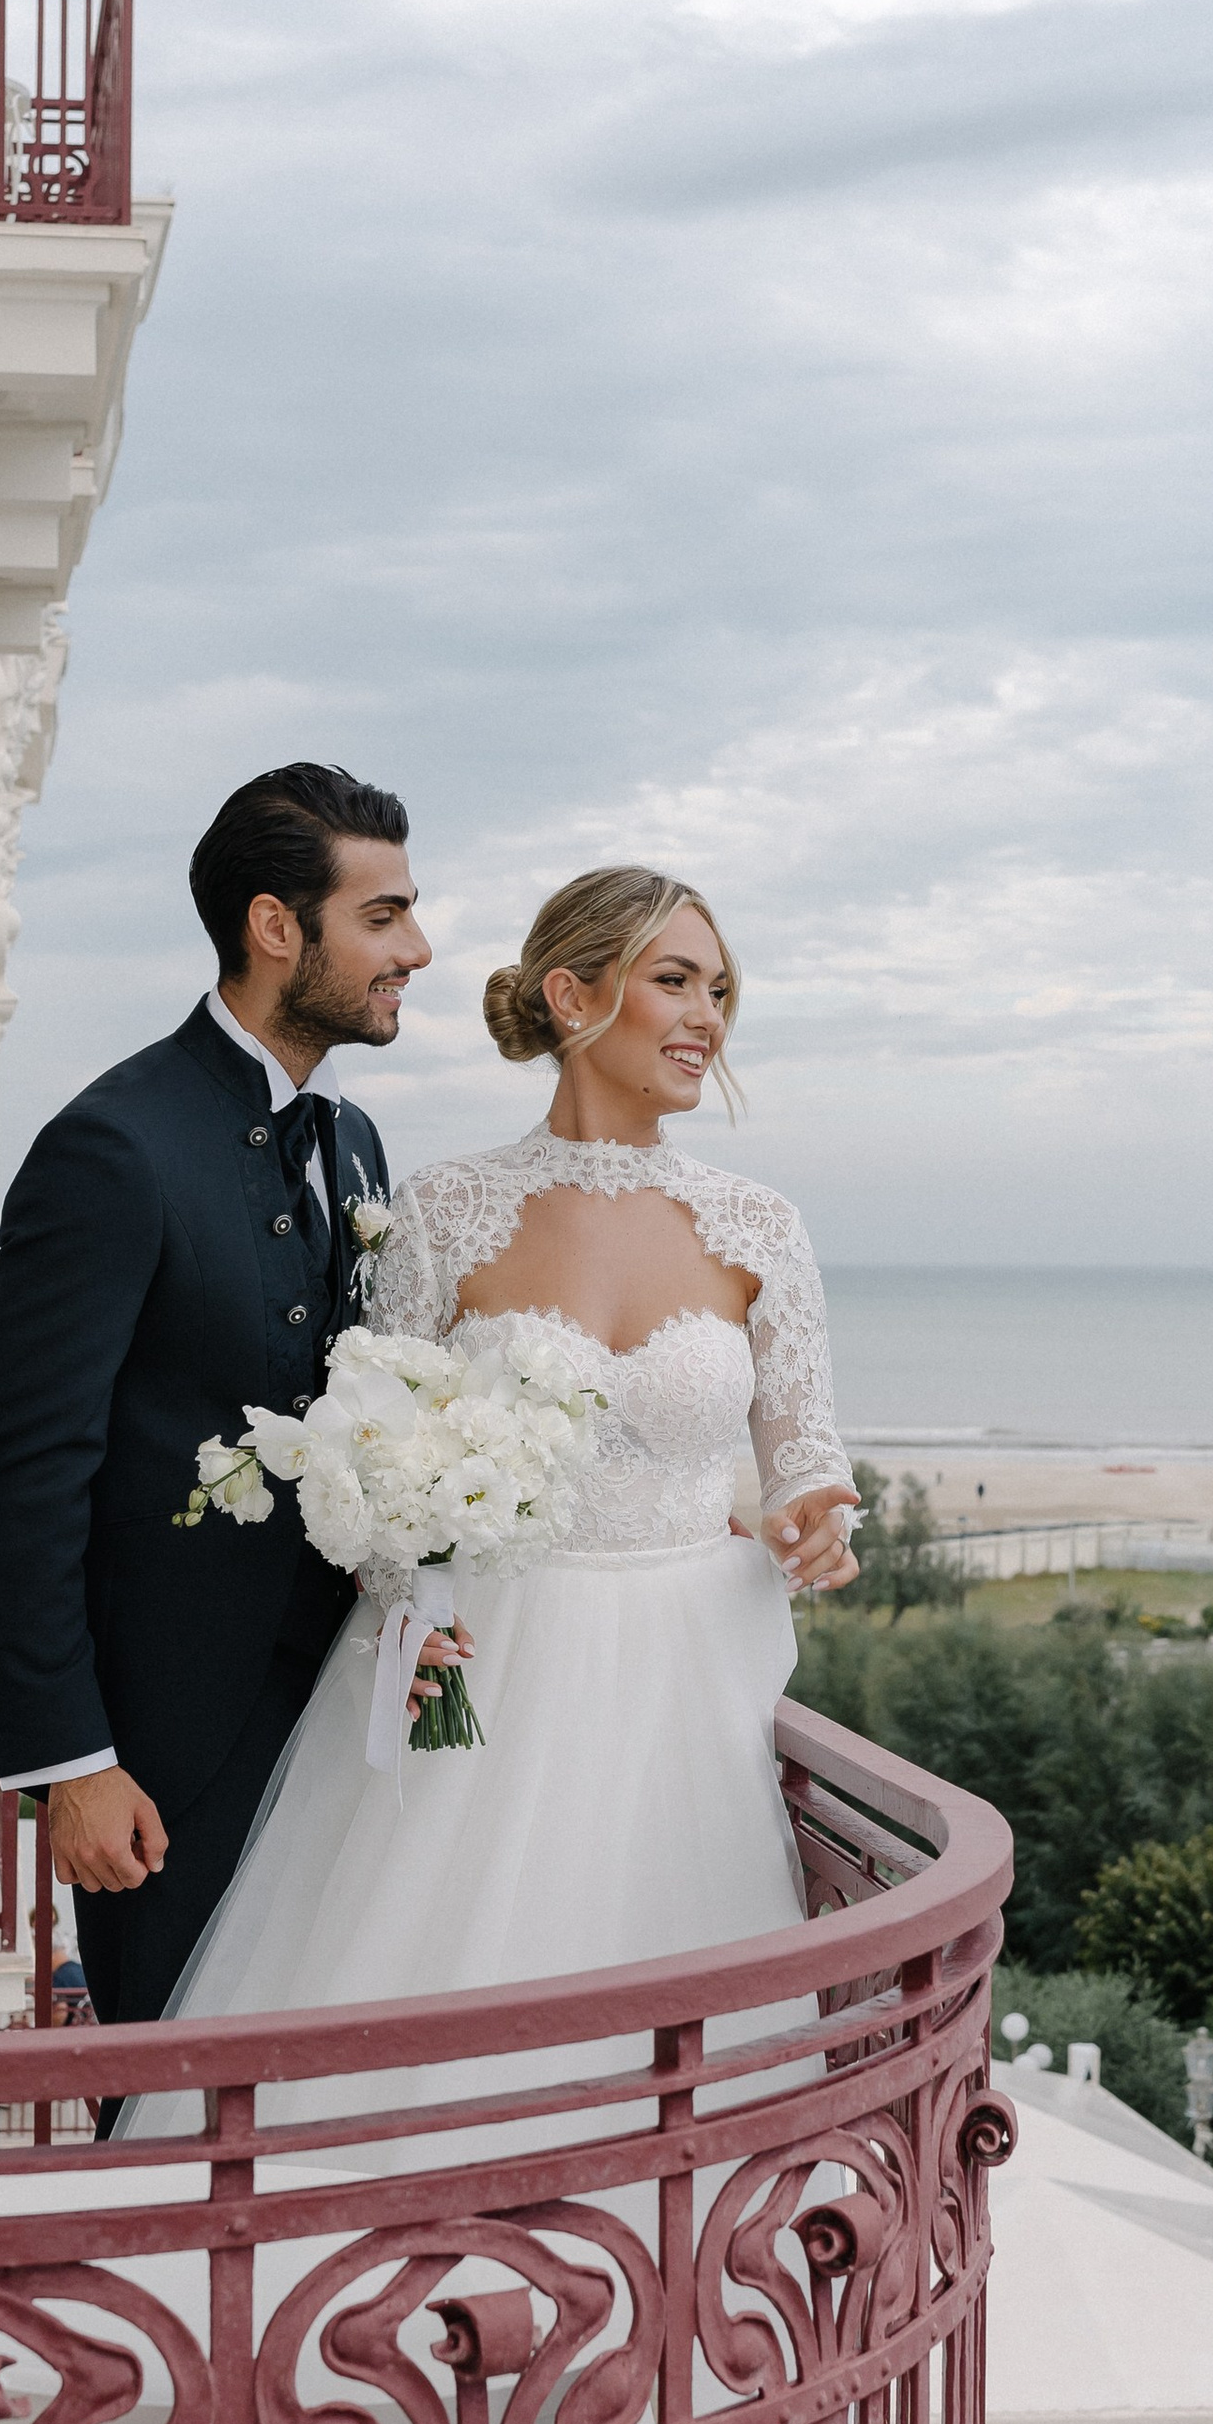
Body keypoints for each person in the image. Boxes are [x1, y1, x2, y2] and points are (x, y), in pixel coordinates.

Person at [115, 860, 860, 2123]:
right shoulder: (444, 1211)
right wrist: (404, 1584)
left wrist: (819, 1519)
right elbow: (371, 1444)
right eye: (671, 981)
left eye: (719, 990)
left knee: (657, 2049)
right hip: (470, 1676)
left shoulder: (759, 1227)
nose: (705, 1019)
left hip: (680, 1694)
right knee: (421, 2030)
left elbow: (809, 1460)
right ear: (573, 995)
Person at [0, 761, 435, 2029]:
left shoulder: (355, 1143)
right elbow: (25, 1471)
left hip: (338, 1722)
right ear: (275, 928)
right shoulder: (112, 1145)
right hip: (163, 1758)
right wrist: (74, 1761)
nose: (419, 949)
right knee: (175, 2104)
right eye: (382, 916)